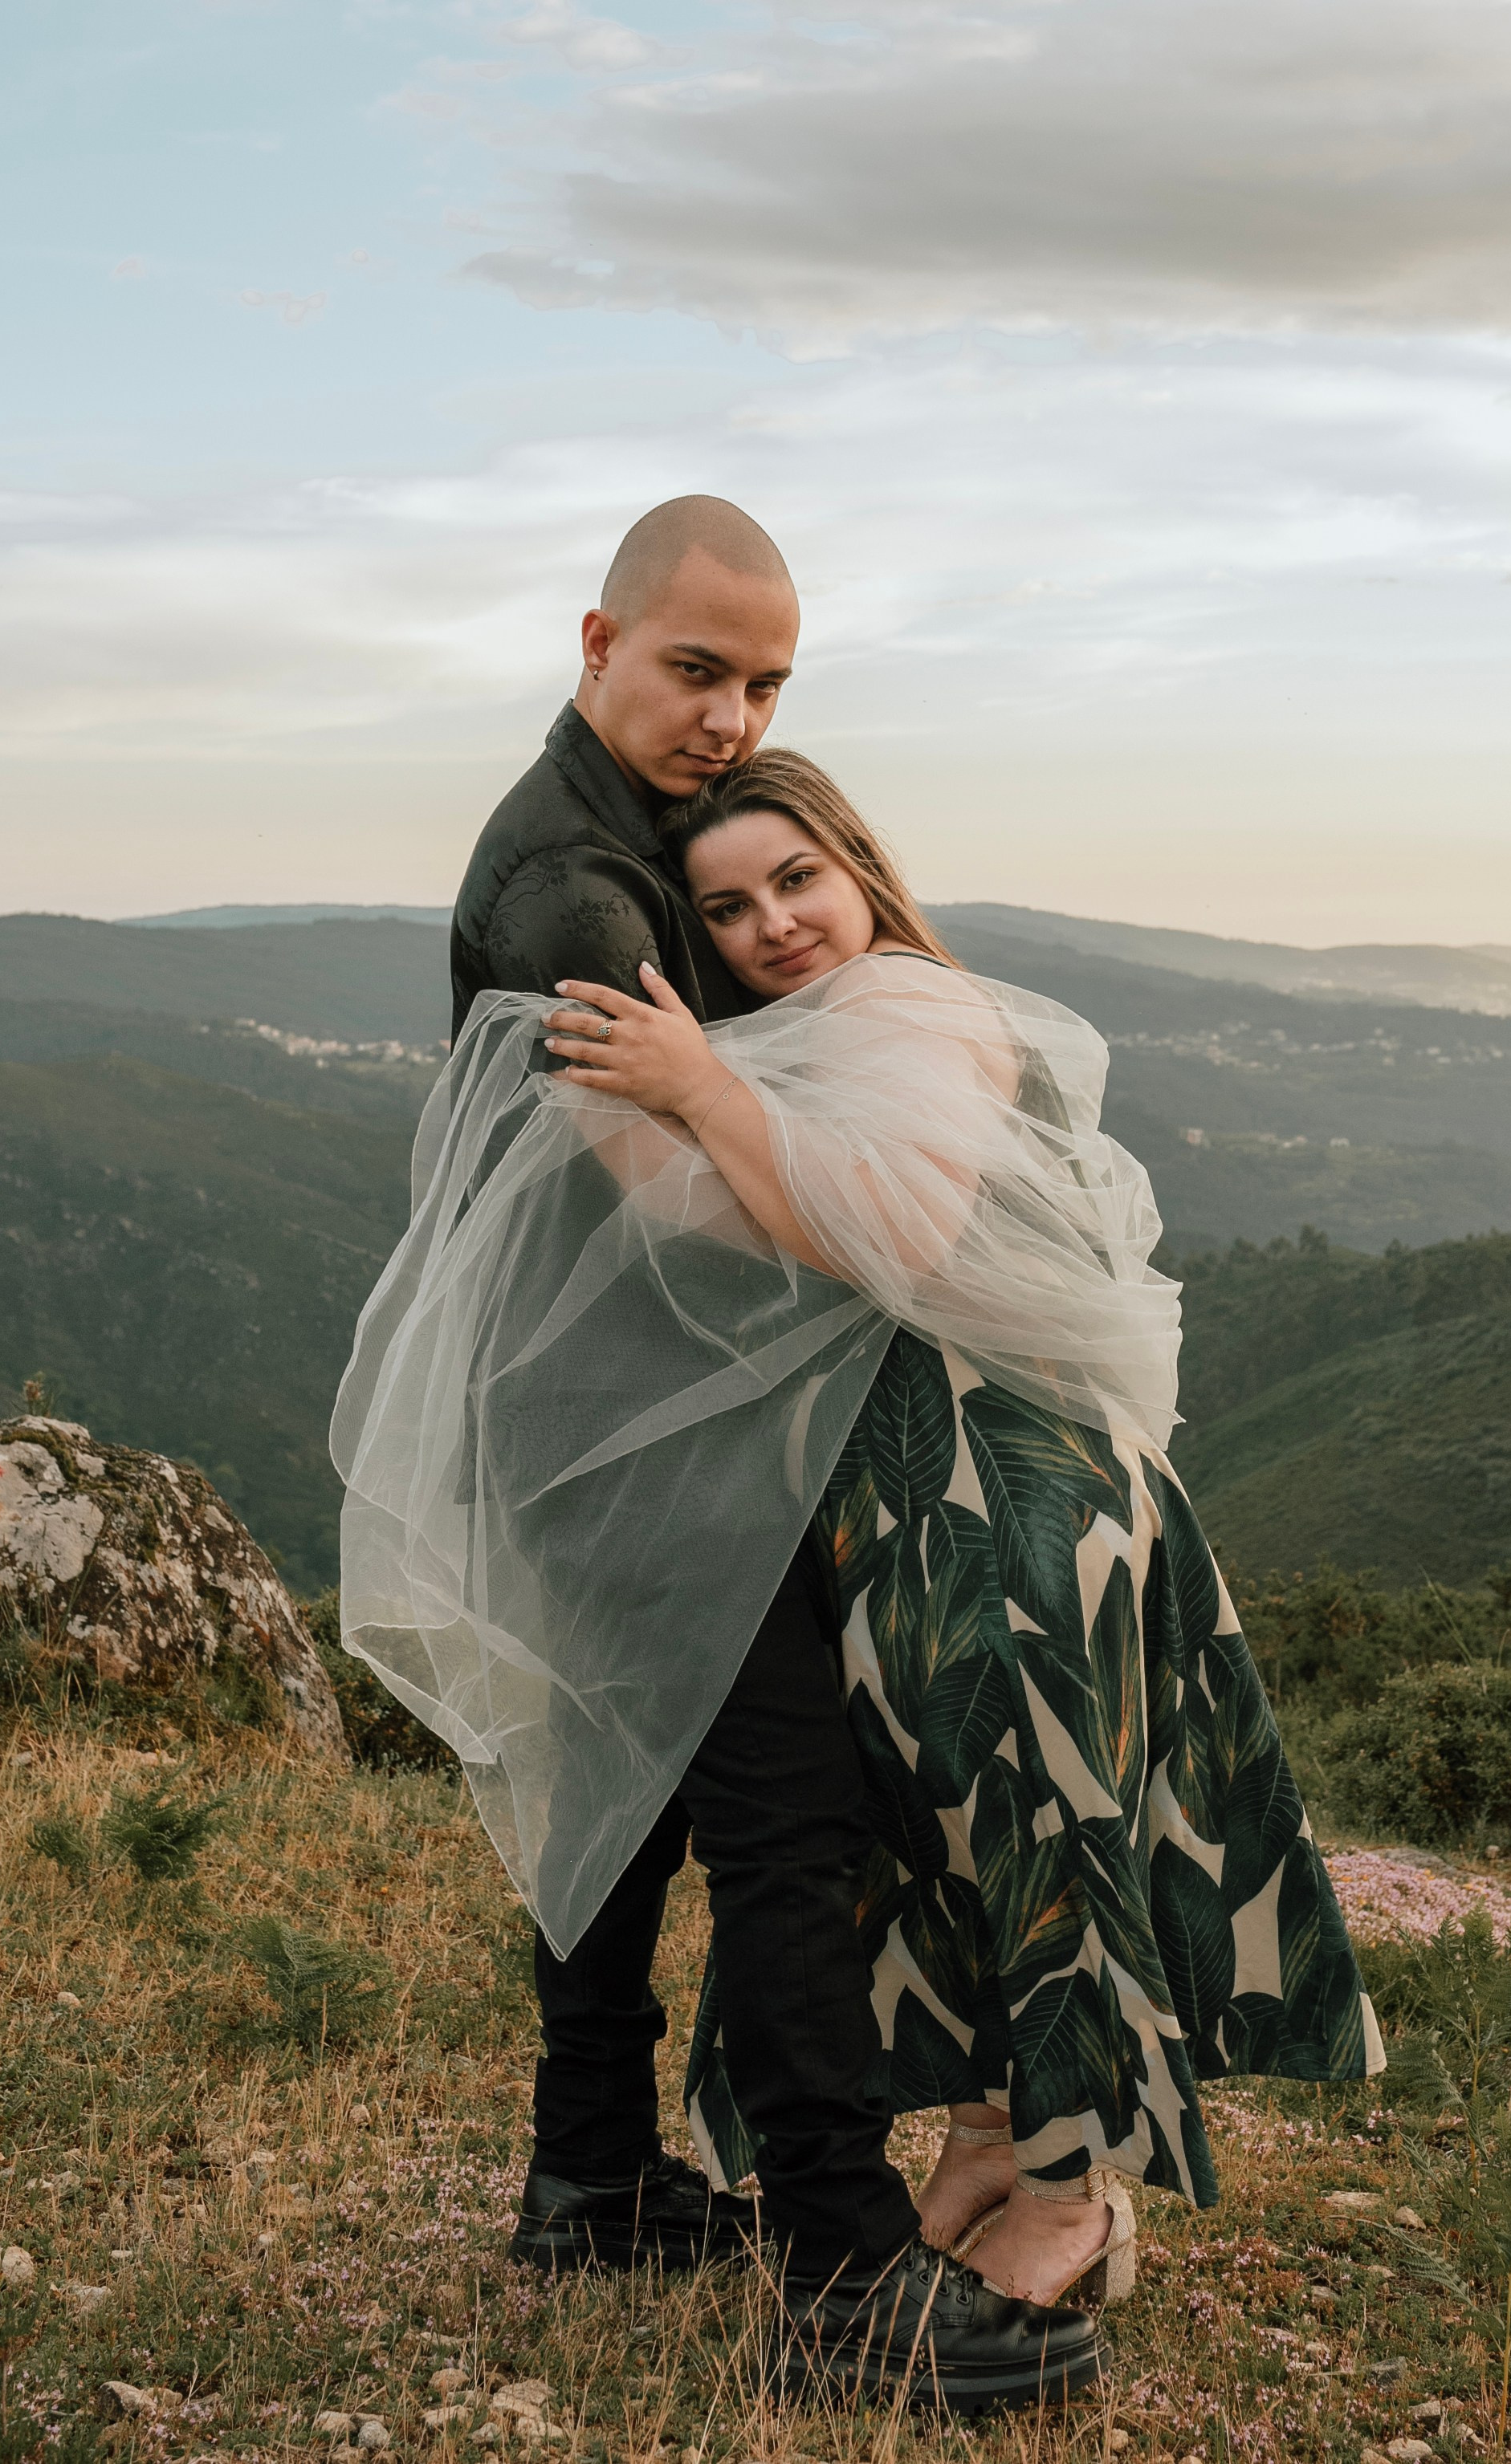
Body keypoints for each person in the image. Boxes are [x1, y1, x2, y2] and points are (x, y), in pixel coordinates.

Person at [356, 506, 1099, 2411]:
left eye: (766, 681)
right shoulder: (576, 899)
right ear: (601, 634)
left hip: (611, 1425)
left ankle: (590, 2172)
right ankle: (848, 2275)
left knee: (631, 1791)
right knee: (788, 1822)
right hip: (640, 1443)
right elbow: (677, 1201)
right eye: (698, 668)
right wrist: (827, 1163)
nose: (730, 711)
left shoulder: (617, 838)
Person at [534, 753, 1383, 2319]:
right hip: (895, 1491)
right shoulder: (788, 1032)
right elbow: (734, 1224)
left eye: (796, 878)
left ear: (856, 864)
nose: (773, 922)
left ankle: (1073, 2197)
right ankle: (990, 2141)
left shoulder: (910, 1010)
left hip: (1010, 1494)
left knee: (1037, 1820)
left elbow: (894, 1228)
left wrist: (699, 1091)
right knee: (925, 1827)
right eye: (725, 905)